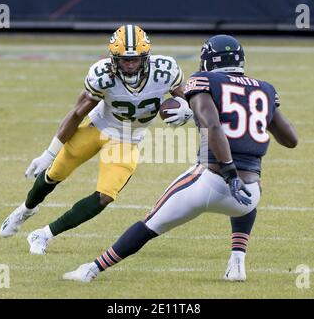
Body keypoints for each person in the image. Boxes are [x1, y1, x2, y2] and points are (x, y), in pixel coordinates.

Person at [62, 34, 298, 283]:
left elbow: (212, 124)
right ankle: (237, 261)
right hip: (247, 195)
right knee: (251, 189)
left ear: (208, 59)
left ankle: (91, 269)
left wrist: (228, 171)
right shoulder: (266, 89)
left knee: (149, 225)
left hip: (210, 181)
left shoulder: (203, 80)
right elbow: (291, 140)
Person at [0, 25, 193, 255]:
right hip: (98, 127)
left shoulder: (165, 71)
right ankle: (26, 210)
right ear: (113, 58)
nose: (129, 65)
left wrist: (188, 108)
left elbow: (192, 98)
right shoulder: (102, 75)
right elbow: (77, 113)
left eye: (134, 59)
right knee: (54, 173)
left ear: (146, 57)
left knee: (106, 195)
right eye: (123, 60)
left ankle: (43, 234)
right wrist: (48, 153)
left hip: (128, 139)